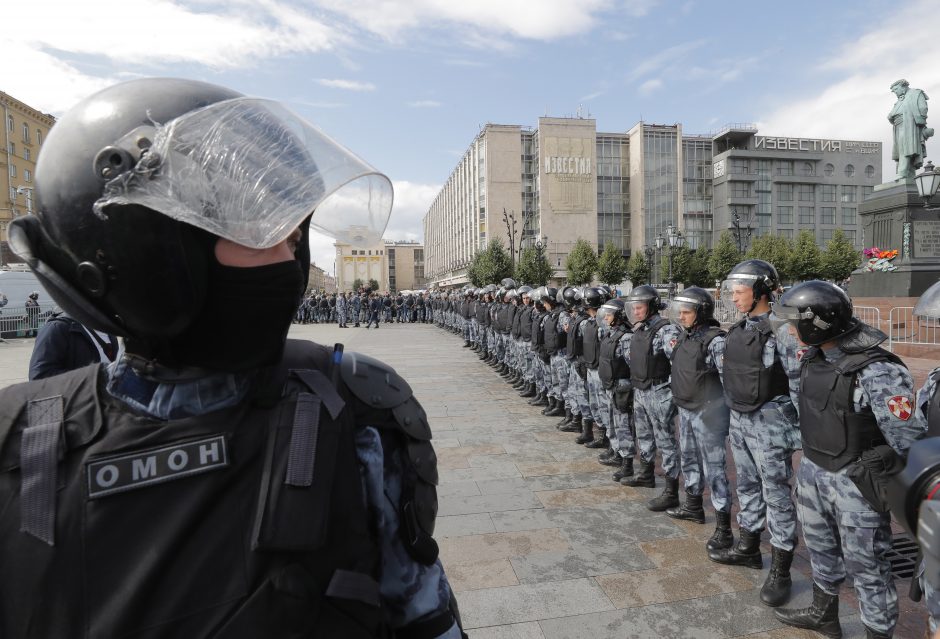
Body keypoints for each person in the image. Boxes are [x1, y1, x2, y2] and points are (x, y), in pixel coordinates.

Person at [0, 78, 464, 639]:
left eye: (293, 236)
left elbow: (425, 620)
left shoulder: (355, 410)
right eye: (258, 229)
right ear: (154, 253)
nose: (288, 258)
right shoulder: (18, 445)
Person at [773, 281, 925, 639]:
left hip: (856, 483)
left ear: (819, 323)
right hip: (814, 472)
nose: (792, 330)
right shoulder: (813, 357)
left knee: (869, 568)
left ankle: (877, 632)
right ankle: (824, 614)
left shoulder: (878, 370)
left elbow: (908, 439)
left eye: (797, 322)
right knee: (821, 551)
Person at [708, 259, 802, 609]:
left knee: (775, 492)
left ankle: (781, 569)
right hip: (742, 419)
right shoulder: (739, 329)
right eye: (731, 291)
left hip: (770, 423)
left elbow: (798, 383)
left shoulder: (783, 330)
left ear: (761, 291)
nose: (733, 297)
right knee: (746, 483)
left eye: (739, 291)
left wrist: (799, 429)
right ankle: (748, 546)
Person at [664, 287, 733, 553]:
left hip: (707, 413)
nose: (681, 317)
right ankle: (693, 506)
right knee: (689, 458)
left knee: (715, 469)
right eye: (679, 312)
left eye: (686, 312)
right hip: (688, 409)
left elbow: (729, 381)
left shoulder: (715, 341)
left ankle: (724, 528)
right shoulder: (686, 337)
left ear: (701, 312)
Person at [620, 285, 682, 513]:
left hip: (659, 391)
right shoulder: (640, 329)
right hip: (641, 390)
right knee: (644, 435)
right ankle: (646, 474)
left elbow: (678, 363)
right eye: (633, 308)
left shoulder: (666, 331)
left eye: (639, 307)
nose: (635, 312)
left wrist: (671, 394)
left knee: (666, 441)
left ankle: (671, 491)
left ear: (652, 306)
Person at [28, 312, 120, 380]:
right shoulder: (57, 328)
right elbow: (39, 377)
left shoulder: (108, 329)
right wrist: (93, 378)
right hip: (78, 404)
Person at [888, 79, 931, 180]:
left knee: (905, 148)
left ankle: (902, 172)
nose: (895, 93)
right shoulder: (899, 100)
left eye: (896, 90)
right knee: (901, 151)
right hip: (897, 126)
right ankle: (909, 175)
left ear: (903, 86)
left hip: (909, 125)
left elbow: (923, 108)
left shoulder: (916, 93)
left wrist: (920, 122)